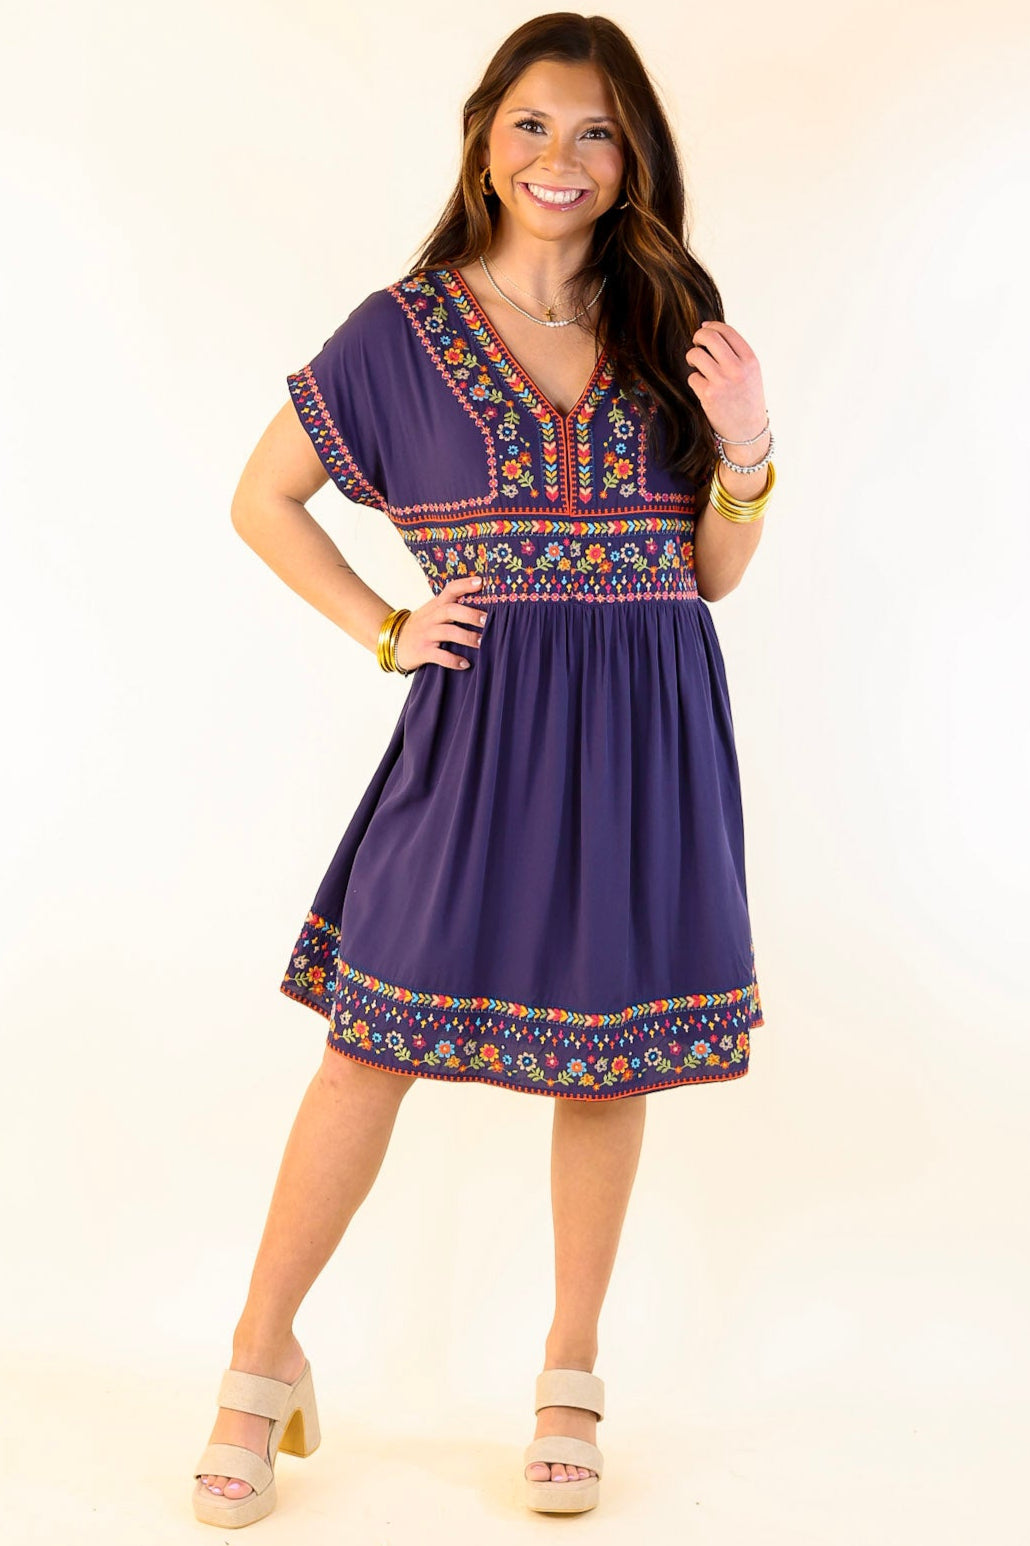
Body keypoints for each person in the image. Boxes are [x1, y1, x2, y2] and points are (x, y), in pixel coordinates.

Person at [192, 11, 773, 1528]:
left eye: (594, 131)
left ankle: (569, 1375)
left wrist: (747, 449)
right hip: (480, 730)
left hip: (645, 731)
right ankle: (259, 1358)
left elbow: (709, 574)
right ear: (484, 139)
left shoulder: (672, 317)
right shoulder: (399, 331)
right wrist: (386, 627)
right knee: (364, 1045)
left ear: (631, 153)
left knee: (609, 1051)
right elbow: (263, 497)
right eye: (531, 124)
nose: (559, 158)